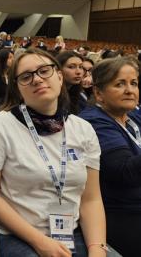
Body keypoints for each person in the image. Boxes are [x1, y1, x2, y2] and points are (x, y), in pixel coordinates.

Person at [0, 48, 106, 257]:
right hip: (16, 235)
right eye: (26, 77)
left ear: (60, 76)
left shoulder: (82, 128)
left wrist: (97, 249)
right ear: (17, 88)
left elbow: (91, 199)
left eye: (44, 71)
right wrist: (39, 241)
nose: (37, 80)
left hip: (71, 233)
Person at [79, 57, 141, 257]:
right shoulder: (93, 122)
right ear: (98, 93)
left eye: (134, 83)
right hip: (121, 216)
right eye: (119, 84)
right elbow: (125, 172)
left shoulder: (132, 117)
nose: (130, 90)